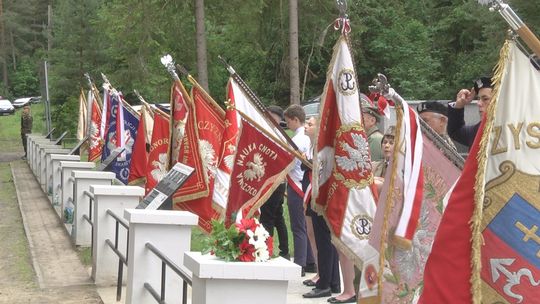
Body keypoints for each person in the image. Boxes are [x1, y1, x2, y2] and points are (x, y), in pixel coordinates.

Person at [301, 116, 341, 299]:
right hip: (319, 197)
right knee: (325, 241)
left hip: (322, 199)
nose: (306, 126)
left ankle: (325, 284)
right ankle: (332, 281)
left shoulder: (322, 148)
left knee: (325, 242)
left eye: (310, 124)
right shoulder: (315, 147)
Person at [284, 104, 316, 274]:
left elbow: (290, 164)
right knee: (306, 226)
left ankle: (300, 263)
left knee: (299, 226)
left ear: (296, 120)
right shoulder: (305, 138)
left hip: (297, 185)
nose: (287, 125)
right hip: (303, 185)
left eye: (289, 121)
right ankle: (310, 261)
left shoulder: (297, 140)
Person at [259, 105, 289, 259]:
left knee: (267, 217)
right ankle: (284, 251)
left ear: (276, 118)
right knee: (277, 217)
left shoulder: (277, 134)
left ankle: (266, 250)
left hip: (274, 182)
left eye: (269, 116)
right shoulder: (276, 133)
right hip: (275, 180)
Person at [447, 76, 493, 148]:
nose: (479, 103)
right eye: (478, 98)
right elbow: (455, 131)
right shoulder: (477, 131)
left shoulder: (513, 127)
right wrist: (459, 105)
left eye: (485, 99)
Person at [360, 94, 384, 161]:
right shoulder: (370, 137)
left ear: (372, 120)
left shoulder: (375, 139)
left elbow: (373, 168)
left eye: (361, 117)